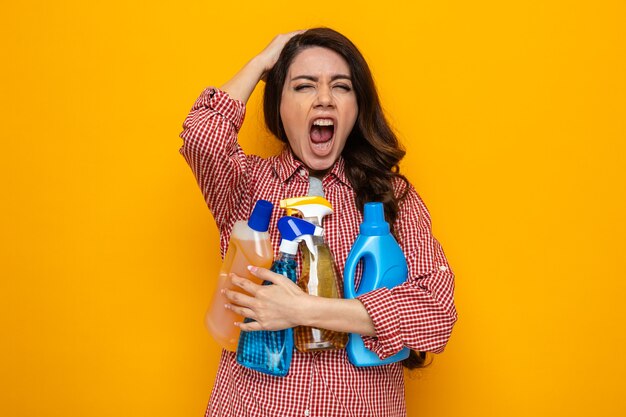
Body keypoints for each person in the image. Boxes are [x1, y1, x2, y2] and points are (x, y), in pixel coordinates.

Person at [179, 28, 457, 417]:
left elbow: (436, 314)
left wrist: (303, 310)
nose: (324, 98)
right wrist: (263, 62)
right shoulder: (244, 185)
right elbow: (202, 137)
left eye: (341, 87)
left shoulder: (392, 197)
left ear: (357, 107)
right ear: (278, 105)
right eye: (304, 86)